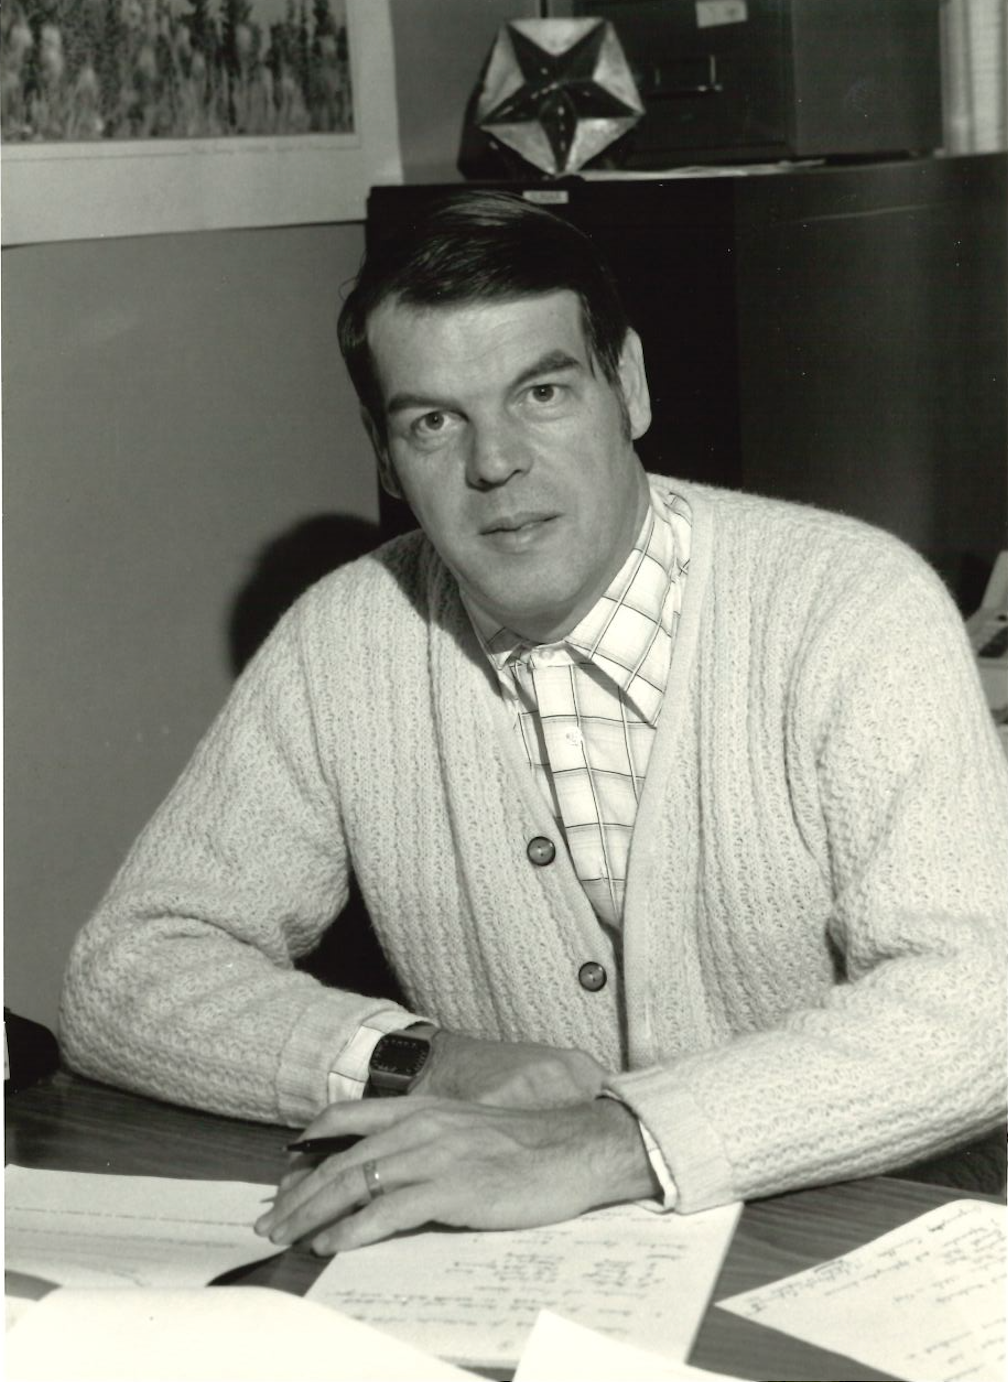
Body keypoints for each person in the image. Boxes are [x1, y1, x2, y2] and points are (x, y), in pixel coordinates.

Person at [60, 191, 1007, 1258]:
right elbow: (128, 970)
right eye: (434, 421)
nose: (494, 461)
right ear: (384, 453)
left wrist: (605, 1139)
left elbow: (977, 1008)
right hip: (554, 1267)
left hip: (879, 1238)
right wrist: (422, 1060)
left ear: (629, 387)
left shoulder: (852, 604)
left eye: (543, 391)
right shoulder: (347, 639)